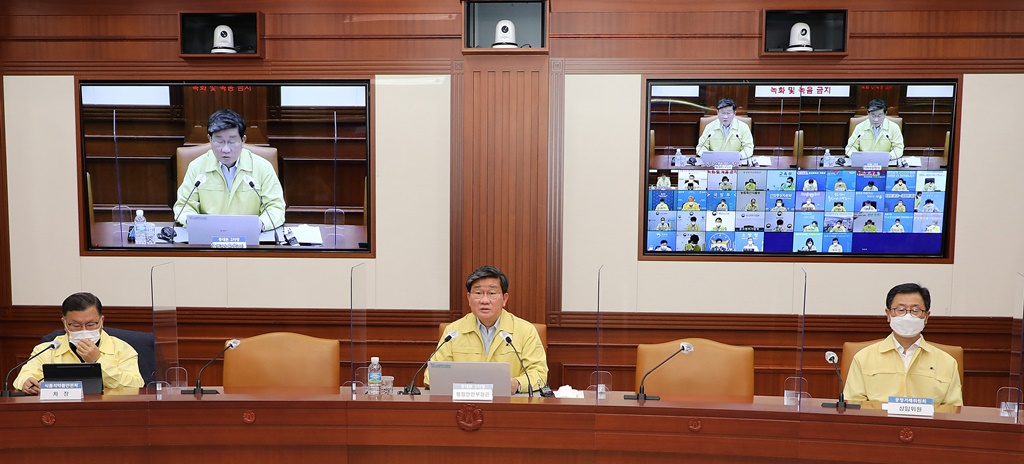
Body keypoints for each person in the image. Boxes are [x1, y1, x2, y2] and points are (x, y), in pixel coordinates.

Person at [426, 266, 548, 394]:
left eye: (492, 293)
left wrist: (516, 384)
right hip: (464, 404)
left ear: (504, 299)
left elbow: (539, 373)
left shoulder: (525, 330)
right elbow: (431, 375)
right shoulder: (453, 332)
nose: (484, 300)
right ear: (469, 298)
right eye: (478, 293)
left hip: (509, 405)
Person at [844, 283, 962, 406]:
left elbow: (953, 411)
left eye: (915, 310)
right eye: (901, 309)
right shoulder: (863, 358)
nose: (907, 316)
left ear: (926, 316)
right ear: (888, 314)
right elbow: (853, 406)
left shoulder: (948, 363)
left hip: (926, 425)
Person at [173, 109, 285, 231]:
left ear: (243, 140)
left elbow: (275, 207)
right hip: (208, 239)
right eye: (219, 141)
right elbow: (183, 207)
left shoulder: (263, 167)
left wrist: (260, 224)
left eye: (232, 142)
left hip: (250, 238)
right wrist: (200, 225)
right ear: (210, 139)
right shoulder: (197, 166)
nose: (225, 149)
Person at [13, 292, 144, 395]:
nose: (84, 331)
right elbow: (23, 377)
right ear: (64, 323)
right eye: (76, 325)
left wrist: (98, 361)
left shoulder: (122, 348)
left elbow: (135, 385)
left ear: (102, 321)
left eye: (91, 324)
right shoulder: (48, 349)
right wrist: (26, 382)